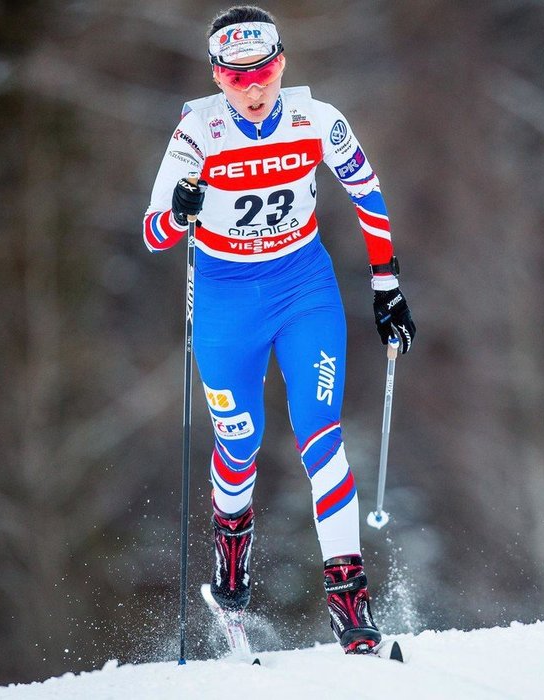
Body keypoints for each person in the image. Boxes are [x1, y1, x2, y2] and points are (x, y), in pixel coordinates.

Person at [142, 5, 416, 655]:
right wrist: (179, 211)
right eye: (237, 78)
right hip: (224, 299)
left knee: (321, 436)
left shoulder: (316, 119)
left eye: (263, 70)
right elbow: (154, 232)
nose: (254, 87)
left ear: (282, 63)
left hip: (303, 291)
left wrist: (387, 287)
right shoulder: (196, 133)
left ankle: (350, 601)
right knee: (240, 447)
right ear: (217, 78)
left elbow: (368, 193)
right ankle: (231, 557)